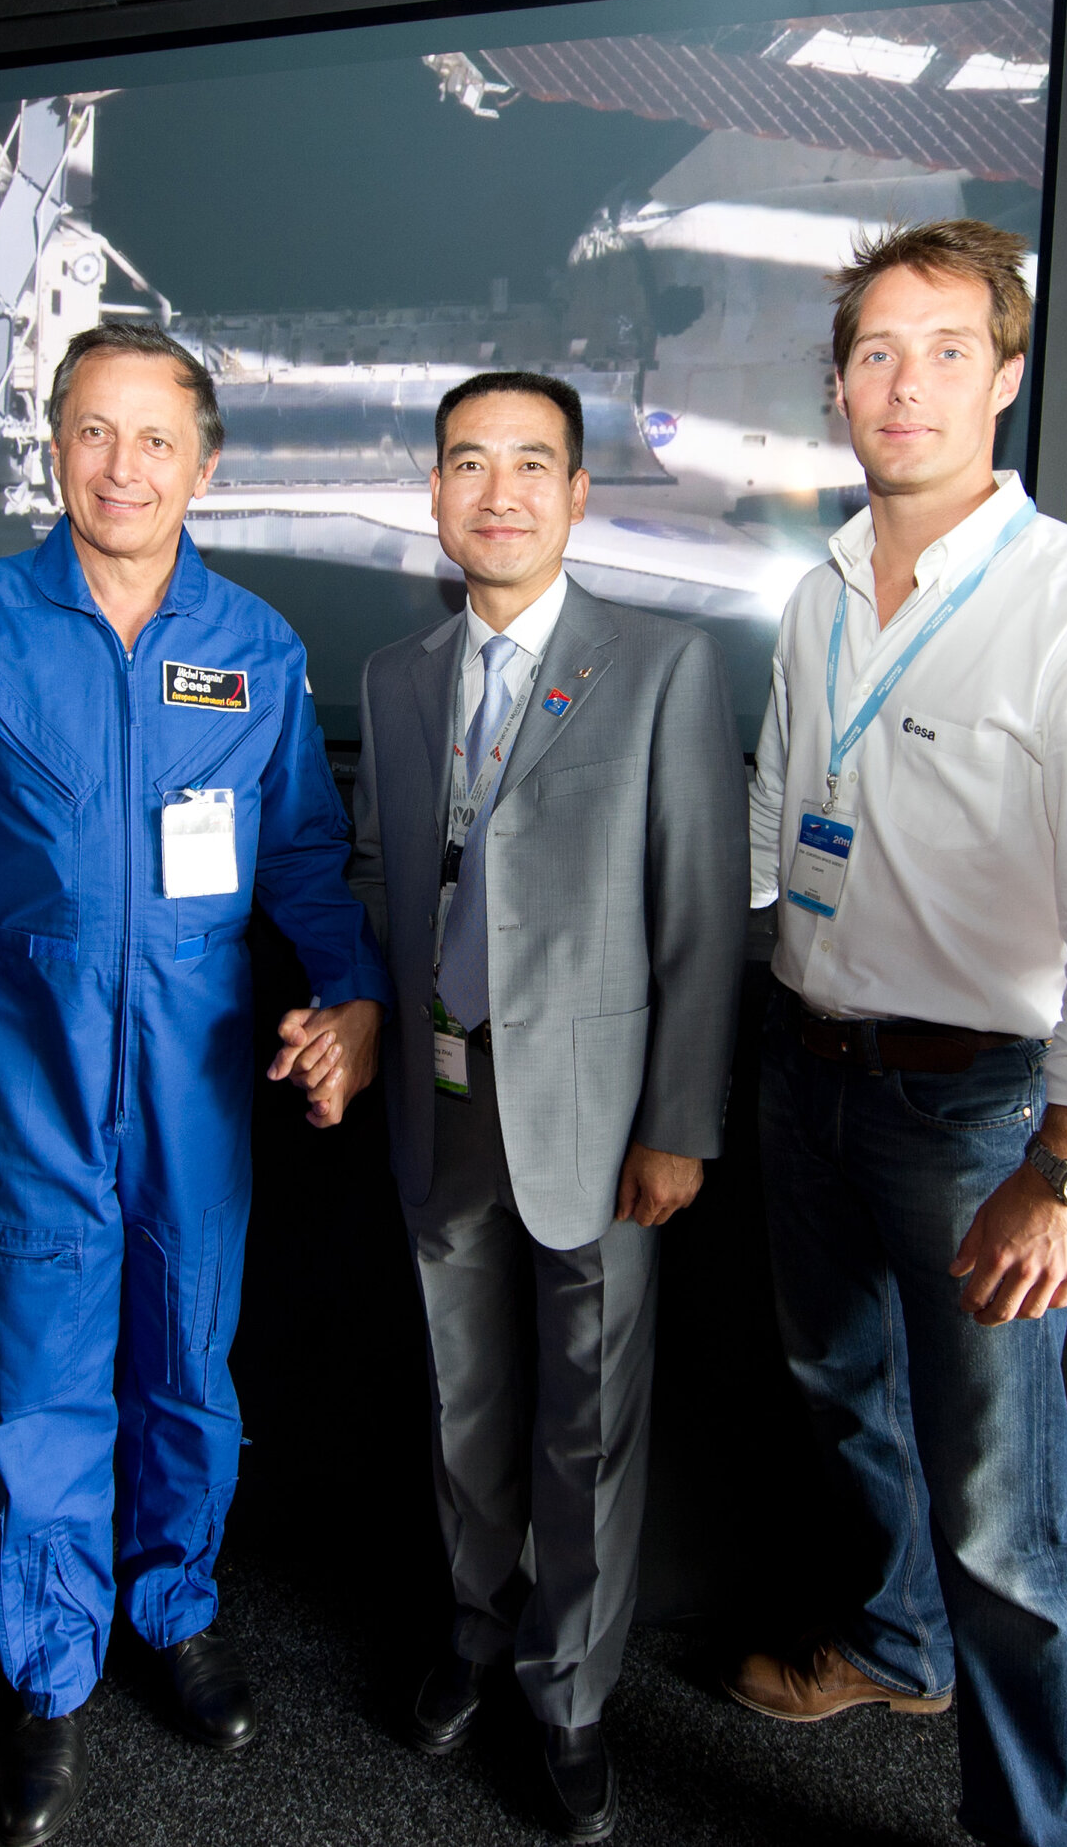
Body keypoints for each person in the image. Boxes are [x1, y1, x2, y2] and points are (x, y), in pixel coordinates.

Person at [0, 320, 391, 1847]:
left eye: (156, 437)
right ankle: (47, 1669)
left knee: (185, 1363)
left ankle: (173, 1605)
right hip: (20, 1077)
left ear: (203, 461)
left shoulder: (257, 645)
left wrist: (348, 991)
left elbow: (299, 853)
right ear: (54, 447)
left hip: (198, 1076)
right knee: (36, 1381)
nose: (123, 465)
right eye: (94, 431)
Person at [726, 223, 1067, 1847]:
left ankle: (1043, 1832)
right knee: (836, 1386)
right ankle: (890, 1646)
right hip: (808, 1065)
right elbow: (788, 808)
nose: (905, 381)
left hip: (977, 1114)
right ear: (839, 386)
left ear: (1006, 378)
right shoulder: (815, 597)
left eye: (946, 349)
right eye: (874, 350)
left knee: (1006, 1517)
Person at [331, 371, 745, 1841]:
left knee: (589, 1419)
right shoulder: (394, 676)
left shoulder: (659, 666)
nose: (497, 492)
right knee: (466, 1393)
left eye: (531, 465)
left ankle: (567, 1690)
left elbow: (699, 911)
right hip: (441, 1095)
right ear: (434, 495)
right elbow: (394, 881)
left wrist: (681, 1123)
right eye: (466, 464)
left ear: (578, 495)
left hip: (600, 1111)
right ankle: (472, 1621)